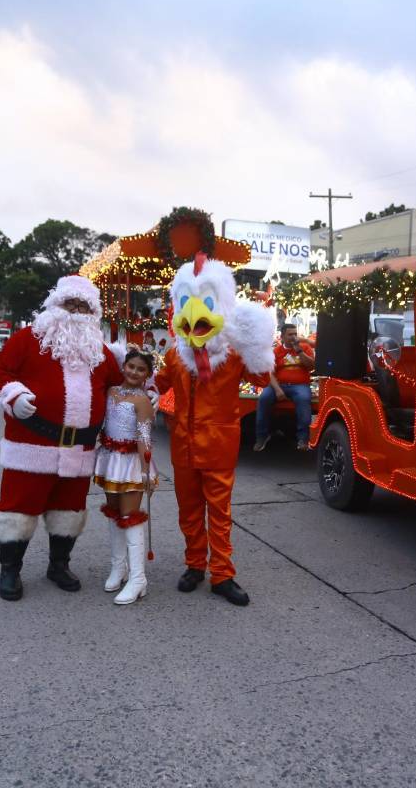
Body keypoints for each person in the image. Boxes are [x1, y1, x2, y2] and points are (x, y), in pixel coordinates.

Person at [0, 275, 124, 602]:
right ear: (54, 305)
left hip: (79, 451)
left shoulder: (101, 353)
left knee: (69, 510)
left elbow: (119, 386)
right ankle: (10, 570)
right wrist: (13, 396)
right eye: (70, 304)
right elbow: (1, 373)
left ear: (94, 314)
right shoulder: (26, 339)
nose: (76, 312)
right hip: (31, 447)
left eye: (84, 306)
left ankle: (58, 565)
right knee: (18, 509)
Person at [154, 253, 275, 606]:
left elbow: (261, 379)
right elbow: (160, 386)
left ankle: (222, 573)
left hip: (219, 445)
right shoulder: (177, 355)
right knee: (188, 512)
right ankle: (194, 565)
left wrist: (257, 343)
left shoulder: (234, 353)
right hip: (183, 448)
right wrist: (150, 405)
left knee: (219, 514)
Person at [93, 349, 158, 605]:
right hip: (110, 459)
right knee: (114, 512)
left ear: (148, 375)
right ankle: (119, 568)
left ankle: (138, 577)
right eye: (131, 366)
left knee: (130, 517)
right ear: (124, 367)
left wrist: (145, 471)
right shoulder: (110, 392)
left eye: (141, 369)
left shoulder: (142, 401)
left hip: (131, 463)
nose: (134, 372)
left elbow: (143, 438)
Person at [254, 323, 315, 451]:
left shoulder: (304, 347)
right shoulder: (276, 351)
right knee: (264, 398)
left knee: (304, 399)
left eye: (295, 334)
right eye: (290, 334)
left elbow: (311, 366)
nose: (293, 337)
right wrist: (277, 390)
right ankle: (262, 436)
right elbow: (269, 374)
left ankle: (303, 439)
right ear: (282, 336)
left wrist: (299, 351)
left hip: (300, 385)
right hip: (279, 384)